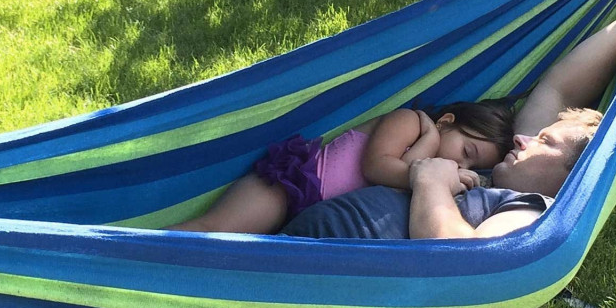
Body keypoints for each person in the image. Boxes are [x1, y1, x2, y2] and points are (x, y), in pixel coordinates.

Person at [278, 0, 616, 241]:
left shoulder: (532, 212)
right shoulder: (494, 172)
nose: (523, 138)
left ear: (573, 178)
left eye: (545, 141)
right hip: (295, 247)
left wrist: (431, 181)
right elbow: (559, 86)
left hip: (318, 276)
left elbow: (460, 262)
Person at [168, 98, 514, 233]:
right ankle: (142, 256)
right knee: (215, 230)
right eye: (467, 150)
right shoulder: (410, 121)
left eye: (472, 164)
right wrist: (429, 143)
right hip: (289, 186)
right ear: (447, 121)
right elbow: (376, 167)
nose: (459, 162)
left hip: (306, 221)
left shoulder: (427, 168)